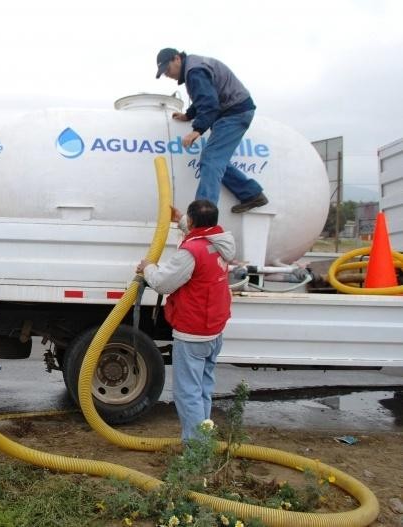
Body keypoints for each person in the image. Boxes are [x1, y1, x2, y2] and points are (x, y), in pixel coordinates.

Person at [136, 200, 234, 441]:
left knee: (187, 393)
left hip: (193, 332)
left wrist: (148, 267)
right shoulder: (220, 243)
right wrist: (181, 218)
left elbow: (162, 283)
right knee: (202, 389)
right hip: (213, 330)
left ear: (192, 221)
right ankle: (203, 440)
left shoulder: (191, 252)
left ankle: (196, 451)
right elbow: (200, 232)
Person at [155, 47, 268, 213]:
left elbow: (209, 103)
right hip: (232, 112)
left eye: (167, 69)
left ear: (177, 58)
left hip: (234, 113)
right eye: (164, 72)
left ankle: (203, 214)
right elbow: (204, 97)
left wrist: (197, 130)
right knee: (216, 160)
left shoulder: (194, 72)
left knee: (211, 159)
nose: (167, 74)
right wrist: (189, 115)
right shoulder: (194, 68)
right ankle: (251, 194)